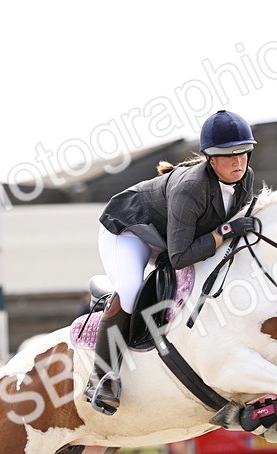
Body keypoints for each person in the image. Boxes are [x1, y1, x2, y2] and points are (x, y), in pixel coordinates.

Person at [84, 109, 259, 415]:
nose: (238, 162)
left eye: (243, 152)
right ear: (210, 158)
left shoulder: (245, 179)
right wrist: (224, 231)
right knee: (130, 291)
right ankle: (102, 377)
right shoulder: (190, 187)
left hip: (171, 237)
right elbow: (180, 257)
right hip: (129, 231)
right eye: (228, 155)